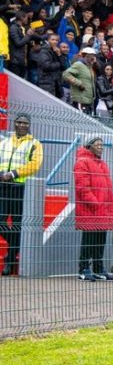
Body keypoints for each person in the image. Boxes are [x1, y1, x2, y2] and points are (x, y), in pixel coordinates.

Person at [0, 114, 43, 276]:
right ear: (14, 124)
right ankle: (17, 245)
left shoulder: (34, 144)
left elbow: (35, 164)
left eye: (25, 123)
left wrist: (13, 174)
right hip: (3, 186)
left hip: (21, 187)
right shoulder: (4, 142)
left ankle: (9, 262)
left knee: (17, 224)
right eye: (19, 122)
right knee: (1, 221)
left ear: (29, 125)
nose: (21, 125)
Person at [74, 137, 113, 281]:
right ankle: (84, 268)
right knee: (89, 240)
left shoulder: (102, 164)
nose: (101, 147)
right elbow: (82, 188)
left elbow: (108, 187)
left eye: (102, 145)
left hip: (103, 210)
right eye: (97, 145)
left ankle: (98, 268)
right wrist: (96, 203)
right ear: (89, 146)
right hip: (91, 209)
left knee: (100, 240)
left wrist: (112, 204)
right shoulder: (82, 162)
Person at [62, 47, 97, 113]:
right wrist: (79, 83)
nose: (93, 58)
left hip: (88, 100)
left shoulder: (89, 67)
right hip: (80, 100)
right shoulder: (78, 65)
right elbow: (65, 74)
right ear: (87, 56)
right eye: (92, 56)